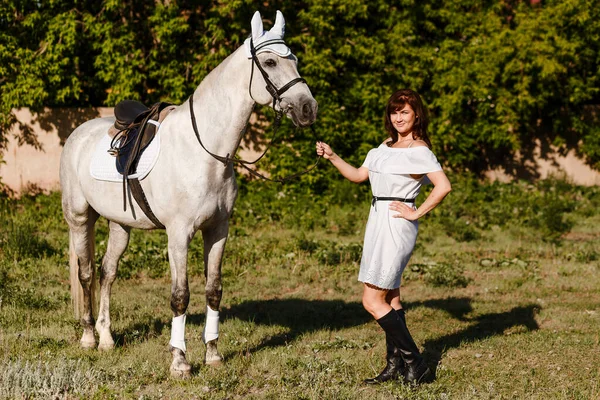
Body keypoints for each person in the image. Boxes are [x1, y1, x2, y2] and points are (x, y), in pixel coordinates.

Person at [315, 89, 451, 385]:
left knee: (372, 300)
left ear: (416, 115)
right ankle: (395, 365)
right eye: (394, 112)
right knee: (391, 296)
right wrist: (332, 156)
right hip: (376, 219)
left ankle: (417, 363)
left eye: (405, 112)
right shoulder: (384, 146)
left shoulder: (420, 150)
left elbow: (443, 186)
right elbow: (358, 176)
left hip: (397, 224)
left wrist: (417, 213)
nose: (399, 117)